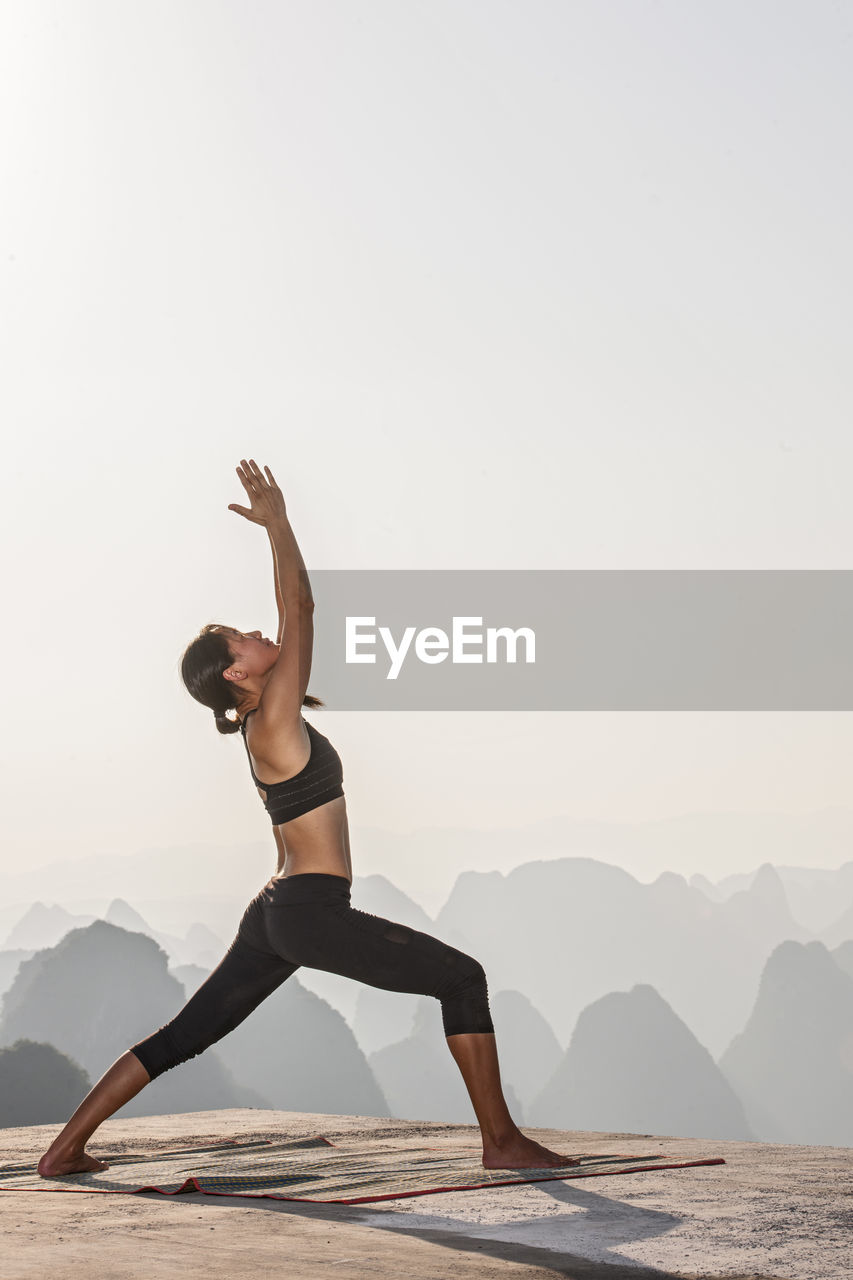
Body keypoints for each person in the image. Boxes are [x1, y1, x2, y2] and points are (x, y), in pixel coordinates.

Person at [38, 459, 579, 1177]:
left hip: (277, 909)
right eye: (243, 638)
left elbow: (292, 617)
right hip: (307, 910)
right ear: (238, 674)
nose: (260, 635)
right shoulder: (273, 719)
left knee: (186, 1035)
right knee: (462, 978)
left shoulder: (265, 724)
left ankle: (64, 1150)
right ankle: (502, 1143)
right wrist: (279, 524)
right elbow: (302, 608)